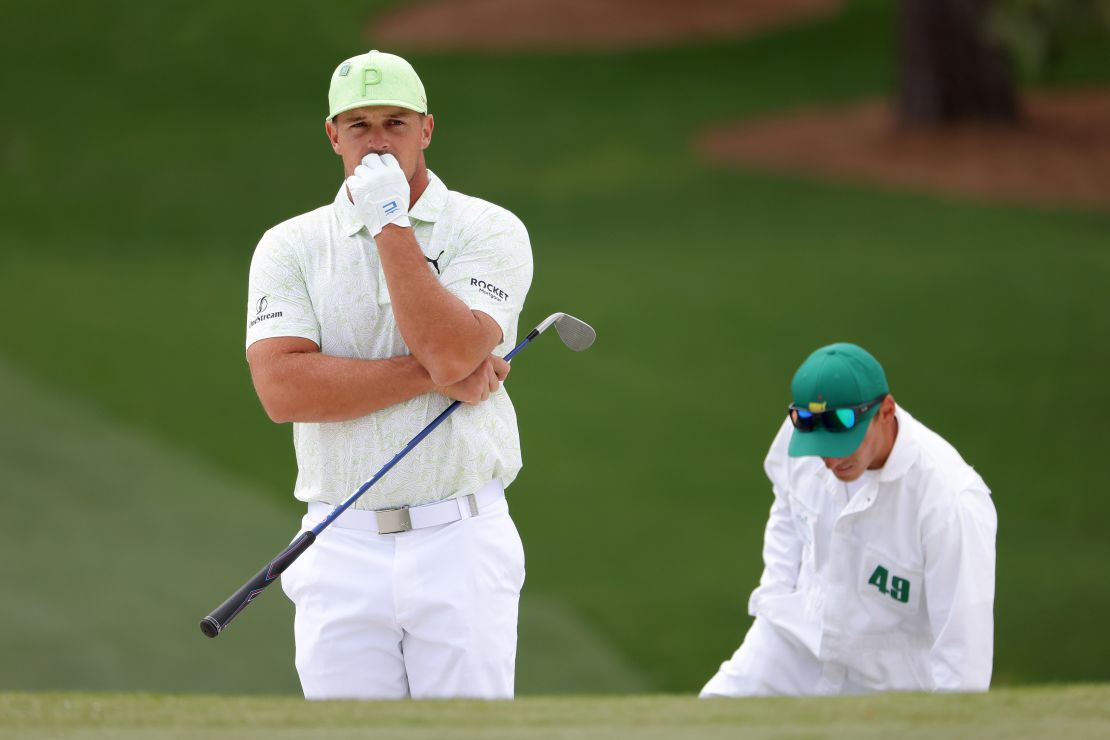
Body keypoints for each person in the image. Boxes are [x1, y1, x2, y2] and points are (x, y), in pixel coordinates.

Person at [244, 50, 533, 700]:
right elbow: (282, 390)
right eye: (360, 125)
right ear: (332, 135)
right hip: (338, 546)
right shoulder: (289, 245)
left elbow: (456, 349)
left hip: (460, 541)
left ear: (427, 129)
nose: (378, 142)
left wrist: (389, 221)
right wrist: (435, 373)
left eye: (395, 123)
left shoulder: (488, 230)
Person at [701, 343, 997, 697]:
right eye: (817, 440)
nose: (829, 459)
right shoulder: (805, 434)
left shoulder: (949, 502)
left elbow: (963, 660)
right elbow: (785, 500)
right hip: (794, 645)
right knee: (707, 719)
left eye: (843, 438)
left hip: (889, 683)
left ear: (885, 411)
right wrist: (775, 594)